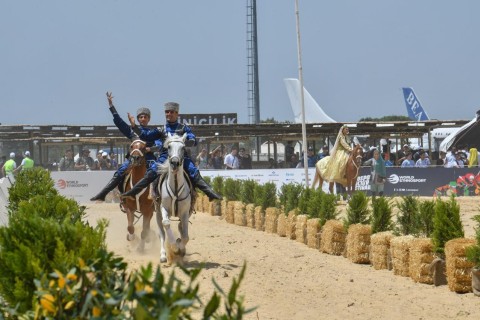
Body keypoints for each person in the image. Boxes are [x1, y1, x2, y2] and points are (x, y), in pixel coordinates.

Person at [124, 101, 222, 201]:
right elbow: (145, 136)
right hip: (165, 156)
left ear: (176, 113)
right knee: (151, 171)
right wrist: (134, 126)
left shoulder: (184, 128)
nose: (168, 114)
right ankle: (134, 192)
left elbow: (193, 140)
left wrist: (187, 142)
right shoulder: (161, 129)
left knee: (193, 171)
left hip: (181, 156)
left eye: (171, 112)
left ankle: (209, 193)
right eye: (167, 112)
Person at [90, 92, 161, 202]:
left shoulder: (153, 132)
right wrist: (111, 106)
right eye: (141, 117)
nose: (143, 118)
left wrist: (150, 149)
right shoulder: (132, 132)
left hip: (149, 158)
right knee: (120, 172)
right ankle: (104, 194)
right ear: (137, 119)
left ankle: (158, 197)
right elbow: (119, 122)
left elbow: (159, 146)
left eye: (145, 117)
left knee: (159, 173)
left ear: (149, 119)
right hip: (133, 158)